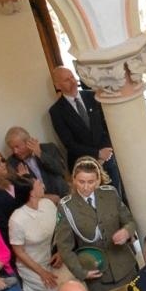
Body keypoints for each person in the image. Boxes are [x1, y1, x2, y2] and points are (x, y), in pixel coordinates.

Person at [53, 159, 139, 291]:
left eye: (90, 182)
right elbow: (64, 246)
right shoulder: (66, 207)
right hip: (97, 274)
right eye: (81, 182)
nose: (86, 187)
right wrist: (80, 272)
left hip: (125, 266)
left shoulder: (110, 194)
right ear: (74, 180)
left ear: (98, 180)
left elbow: (129, 221)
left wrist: (126, 232)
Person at [48, 66, 124, 196]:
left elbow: (107, 126)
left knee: (117, 193)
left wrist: (106, 150)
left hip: (107, 156)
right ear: (58, 85)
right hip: (84, 164)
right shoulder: (56, 111)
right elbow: (69, 143)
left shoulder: (92, 96)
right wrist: (97, 153)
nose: (72, 81)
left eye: (72, 76)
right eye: (66, 80)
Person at [8, 176, 62, 291]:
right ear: (31, 192)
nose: (43, 185)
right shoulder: (17, 219)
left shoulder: (48, 204)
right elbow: (18, 251)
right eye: (39, 183)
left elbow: (61, 229)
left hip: (51, 258)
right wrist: (42, 272)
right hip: (31, 266)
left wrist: (61, 252)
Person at [5, 125, 69, 199]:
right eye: (12, 148)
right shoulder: (11, 163)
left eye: (17, 147)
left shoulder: (49, 148)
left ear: (28, 142)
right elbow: (18, 192)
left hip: (61, 194)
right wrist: (25, 179)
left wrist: (40, 154)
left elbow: (60, 170)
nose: (15, 151)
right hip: (39, 201)